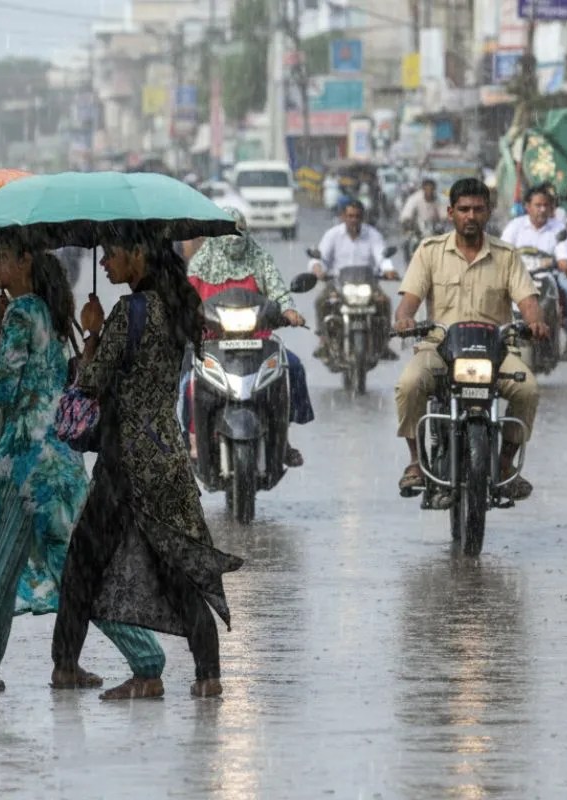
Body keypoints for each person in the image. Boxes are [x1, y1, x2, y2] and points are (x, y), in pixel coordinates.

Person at [0, 238, 163, 696]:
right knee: (46, 563)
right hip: (53, 459)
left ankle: (147, 664)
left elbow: (7, 394)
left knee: (21, 564)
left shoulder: (20, 314)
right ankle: (10, 667)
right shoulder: (50, 314)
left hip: (25, 462)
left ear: (24, 259)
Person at [52, 235, 243, 700]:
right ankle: (207, 674)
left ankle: (66, 667)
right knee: (174, 567)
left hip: (124, 463)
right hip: (167, 457)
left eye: (112, 251)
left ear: (138, 252)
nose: (104, 259)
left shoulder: (131, 312)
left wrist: (92, 333)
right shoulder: (177, 309)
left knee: (82, 563)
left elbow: (92, 382)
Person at [394, 178, 547, 501]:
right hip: (440, 347)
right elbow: (409, 300)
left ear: (488, 212)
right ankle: (415, 462)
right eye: (464, 209)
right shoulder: (430, 251)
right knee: (409, 384)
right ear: (450, 212)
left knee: (528, 389)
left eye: (478, 209)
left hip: (496, 350)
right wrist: (405, 319)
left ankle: (505, 463)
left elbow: (528, 301)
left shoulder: (506, 256)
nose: (471, 216)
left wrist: (535, 321)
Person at [186, 208, 314, 466]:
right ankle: (191, 440)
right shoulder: (201, 263)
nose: (233, 238)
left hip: (258, 340)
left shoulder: (260, 259)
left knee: (293, 368)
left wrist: (289, 311)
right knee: (184, 384)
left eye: (238, 231)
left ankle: (282, 438)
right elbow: (187, 298)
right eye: (226, 232)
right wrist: (185, 315)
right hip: (210, 342)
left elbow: (277, 290)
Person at [501, 186, 567, 354]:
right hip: (518, 276)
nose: (542, 209)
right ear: (527, 206)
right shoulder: (515, 226)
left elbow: (564, 254)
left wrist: (564, 262)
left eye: (545, 205)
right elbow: (502, 251)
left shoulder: (558, 228)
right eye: (537, 205)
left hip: (550, 275)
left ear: (551, 208)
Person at [310, 200, 399, 360]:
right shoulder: (332, 235)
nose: (353, 220)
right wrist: (318, 268)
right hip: (337, 284)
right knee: (322, 301)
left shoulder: (373, 235)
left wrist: (388, 270)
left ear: (362, 217)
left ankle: (383, 342)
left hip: (368, 284)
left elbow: (382, 257)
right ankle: (324, 341)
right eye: (350, 216)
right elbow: (320, 257)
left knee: (384, 302)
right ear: (343, 216)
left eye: (357, 216)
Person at [399, 178, 444, 243]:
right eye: (427, 189)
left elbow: (443, 213)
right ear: (423, 189)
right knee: (409, 242)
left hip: (433, 229)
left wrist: (444, 220)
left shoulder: (437, 199)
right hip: (417, 229)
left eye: (431, 189)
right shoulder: (415, 198)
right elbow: (407, 211)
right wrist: (406, 221)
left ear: (434, 189)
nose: (429, 192)